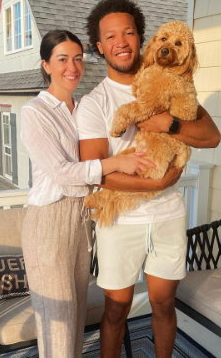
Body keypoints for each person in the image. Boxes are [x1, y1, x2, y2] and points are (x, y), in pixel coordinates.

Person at [76, 0, 221, 358]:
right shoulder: (94, 103)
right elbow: (98, 175)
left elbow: (212, 136)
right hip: (121, 220)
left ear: (142, 38)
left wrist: (170, 124)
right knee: (116, 310)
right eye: (110, 36)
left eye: (128, 32)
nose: (121, 42)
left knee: (164, 305)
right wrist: (156, 184)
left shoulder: (172, 79)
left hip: (168, 216)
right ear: (100, 46)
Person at [20, 29, 159, 358]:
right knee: (58, 323)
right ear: (46, 65)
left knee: (77, 317)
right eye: (63, 59)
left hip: (82, 219)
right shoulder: (34, 112)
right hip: (49, 221)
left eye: (78, 58)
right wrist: (115, 163)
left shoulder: (83, 108)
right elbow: (62, 173)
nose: (73, 66)